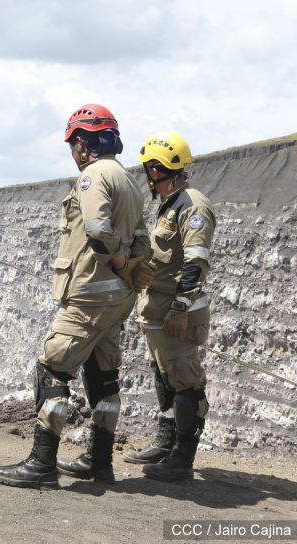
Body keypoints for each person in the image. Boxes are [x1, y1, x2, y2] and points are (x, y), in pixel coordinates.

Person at [0, 104, 154, 488]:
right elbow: (143, 237)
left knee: (52, 368)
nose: (73, 152)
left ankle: (42, 464)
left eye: (73, 145)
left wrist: (116, 262)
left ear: (82, 144)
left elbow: (97, 229)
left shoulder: (93, 176)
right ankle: (100, 463)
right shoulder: (129, 180)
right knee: (103, 375)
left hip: (90, 292)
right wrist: (131, 265)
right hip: (118, 296)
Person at [125, 132, 215, 481]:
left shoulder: (192, 205)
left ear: (164, 169)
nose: (148, 176)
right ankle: (166, 442)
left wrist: (180, 308)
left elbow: (196, 263)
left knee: (185, 381)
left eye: (151, 169)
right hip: (158, 309)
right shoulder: (171, 202)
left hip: (177, 311)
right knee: (165, 376)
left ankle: (182, 459)